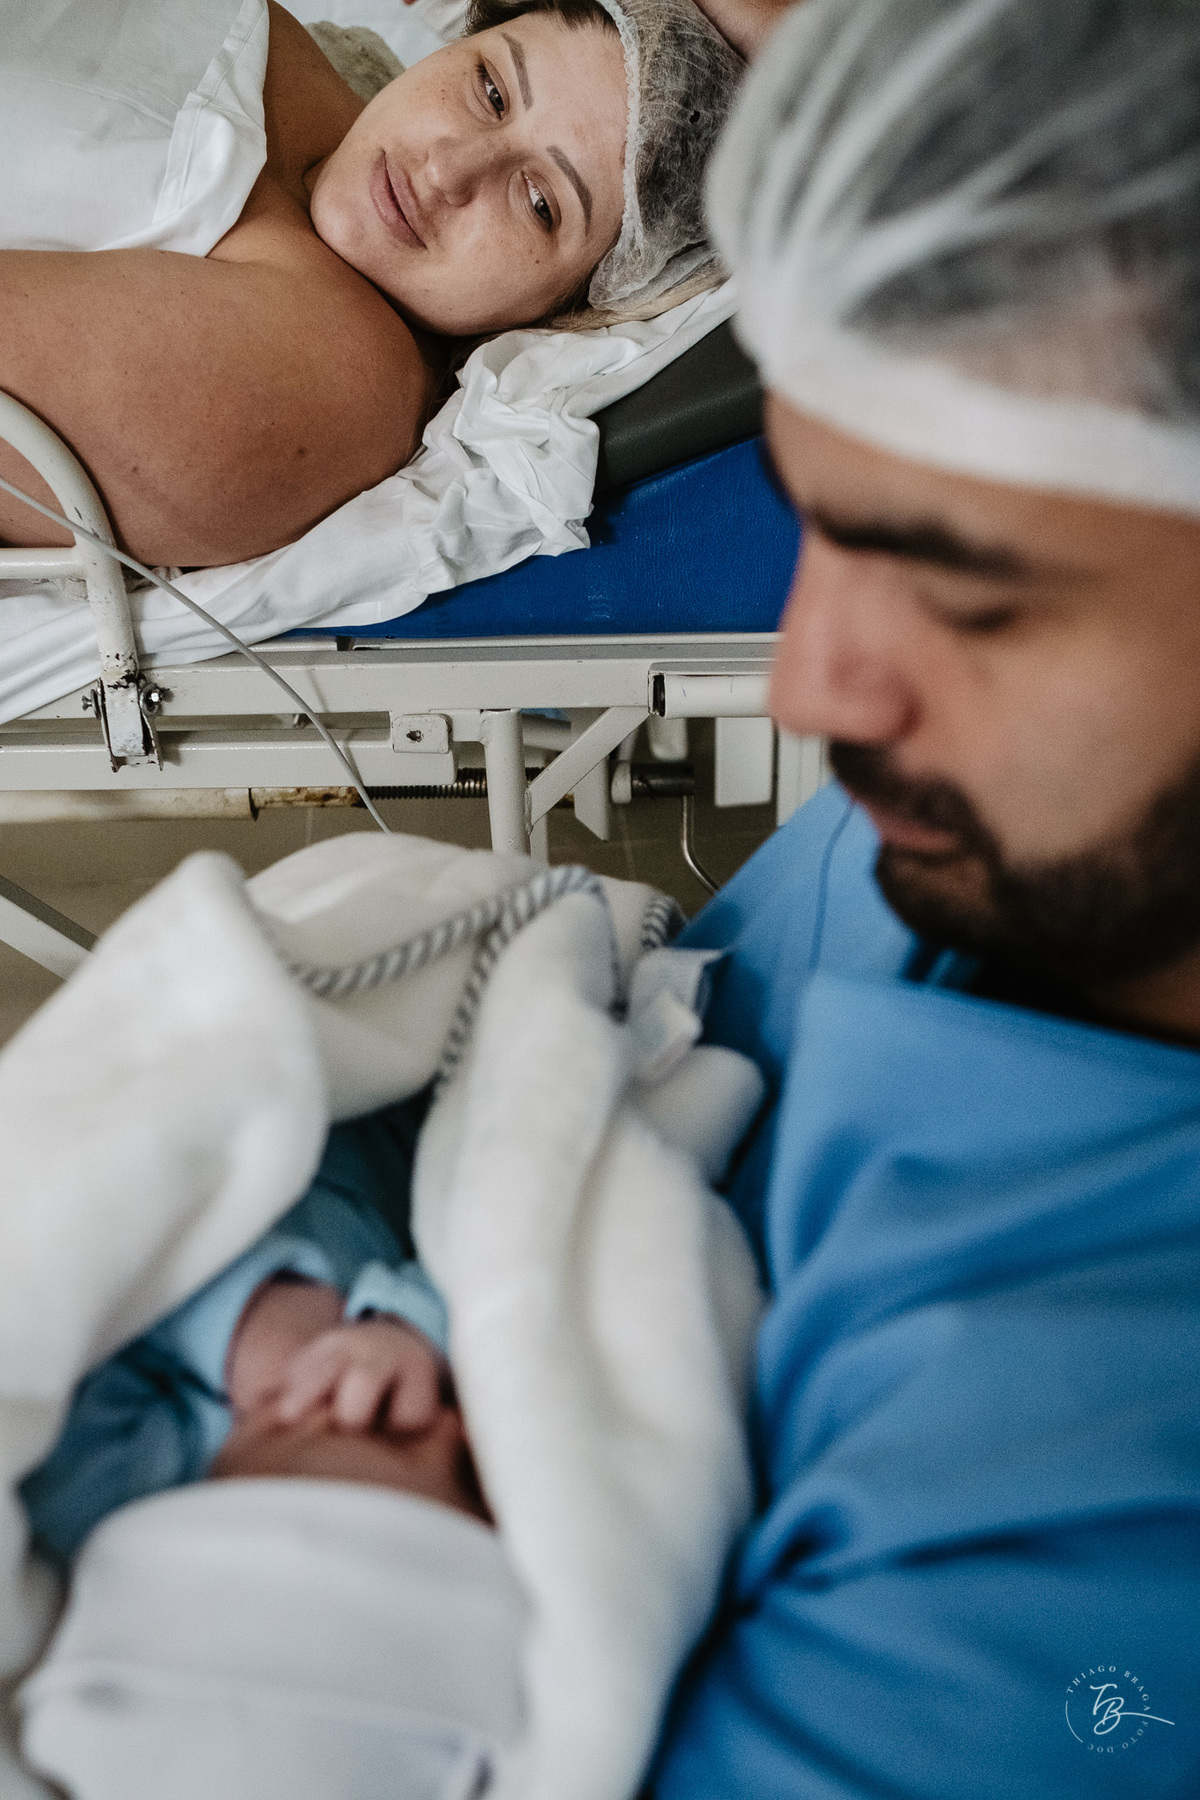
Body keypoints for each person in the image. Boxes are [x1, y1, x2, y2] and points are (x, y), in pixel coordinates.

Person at [636, 0, 1200, 1795]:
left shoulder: (1114, 1525)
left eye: (969, 600)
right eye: (819, 521)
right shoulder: (983, 847)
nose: (811, 691)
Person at [0, 0, 742, 568]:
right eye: (490, 88)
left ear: (572, 310)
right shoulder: (292, 51)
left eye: (540, 202)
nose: (449, 170)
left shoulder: (335, 379)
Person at [16, 1098, 487, 1568]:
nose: (458, 1425)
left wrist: (240, 1322)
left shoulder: (127, 1480)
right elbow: (493, 1267)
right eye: (472, 1475)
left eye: (384, 1424)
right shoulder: (451, 1375)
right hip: (408, 1117)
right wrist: (414, 1326)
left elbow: (66, 1308)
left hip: (197, 1123)